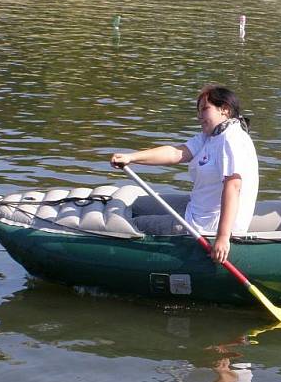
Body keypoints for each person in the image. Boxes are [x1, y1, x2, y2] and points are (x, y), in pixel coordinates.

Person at [111, 84, 258, 263]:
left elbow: (233, 186)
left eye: (204, 109)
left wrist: (222, 237)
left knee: (136, 224)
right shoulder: (211, 136)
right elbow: (175, 153)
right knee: (137, 205)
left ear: (225, 109)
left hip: (205, 225)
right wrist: (131, 157)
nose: (199, 117)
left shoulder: (232, 138)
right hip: (195, 208)